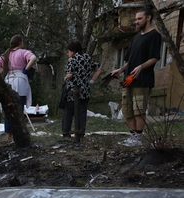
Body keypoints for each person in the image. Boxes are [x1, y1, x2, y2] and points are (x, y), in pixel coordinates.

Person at [110, 7, 162, 147]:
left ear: (148, 18)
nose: (136, 22)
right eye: (136, 19)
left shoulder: (154, 36)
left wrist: (141, 67)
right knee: (127, 110)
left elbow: (155, 57)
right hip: (128, 80)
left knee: (138, 109)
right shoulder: (136, 38)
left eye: (139, 19)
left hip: (143, 80)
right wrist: (120, 70)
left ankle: (138, 139)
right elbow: (129, 60)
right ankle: (132, 136)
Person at [0, 35, 37, 139]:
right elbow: (33, 58)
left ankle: (9, 132)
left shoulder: (6, 54)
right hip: (20, 79)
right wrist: (26, 69)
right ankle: (18, 131)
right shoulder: (23, 52)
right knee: (19, 107)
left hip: (8, 80)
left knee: (8, 107)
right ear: (20, 43)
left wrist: (4, 71)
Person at [61, 40, 102, 141]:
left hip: (72, 91)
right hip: (85, 90)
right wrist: (92, 80)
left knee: (68, 112)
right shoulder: (87, 57)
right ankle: (80, 133)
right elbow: (99, 68)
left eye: (68, 51)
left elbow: (70, 75)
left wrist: (65, 78)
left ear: (73, 51)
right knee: (82, 113)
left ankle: (66, 133)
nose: (67, 53)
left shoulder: (72, 59)